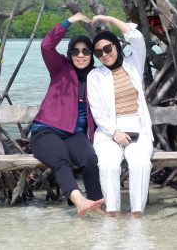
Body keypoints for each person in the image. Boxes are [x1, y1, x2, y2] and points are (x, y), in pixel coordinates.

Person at [29, 12, 105, 216]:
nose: (81, 55)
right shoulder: (59, 67)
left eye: (86, 51)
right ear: (70, 53)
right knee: (60, 159)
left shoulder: (97, 76)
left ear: (91, 55)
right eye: (76, 51)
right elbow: (46, 45)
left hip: (74, 134)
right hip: (46, 131)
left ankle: (97, 206)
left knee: (90, 158)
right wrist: (69, 21)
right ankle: (79, 201)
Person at [87, 14, 154, 218]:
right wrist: (113, 132)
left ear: (117, 46)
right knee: (108, 164)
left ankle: (136, 215)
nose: (104, 54)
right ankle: (113, 214)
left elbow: (137, 38)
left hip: (138, 128)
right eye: (99, 52)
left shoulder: (134, 65)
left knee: (140, 163)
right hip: (108, 132)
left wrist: (108, 19)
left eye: (108, 48)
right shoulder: (95, 76)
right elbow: (97, 110)